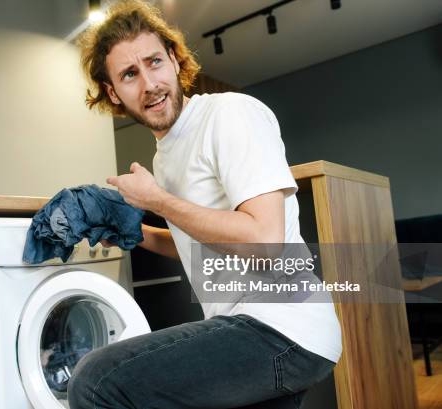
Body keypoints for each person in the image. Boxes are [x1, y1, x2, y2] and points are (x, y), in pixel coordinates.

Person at [68, 1, 342, 408]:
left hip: (282, 325)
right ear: (113, 92)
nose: (149, 84)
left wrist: (158, 199)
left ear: (176, 61)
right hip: (258, 328)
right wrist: (136, 233)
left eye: (155, 62)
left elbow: (265, 243)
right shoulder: (165, 156)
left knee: (96, 382)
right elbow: (200, 242)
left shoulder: (229, 114)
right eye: (130, 74)